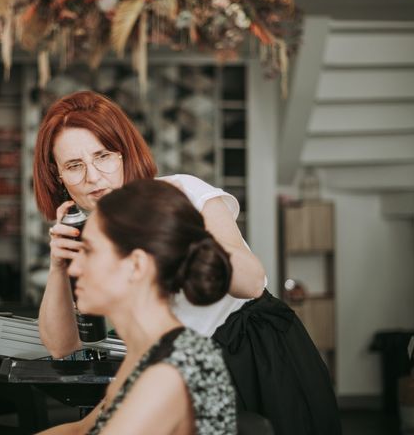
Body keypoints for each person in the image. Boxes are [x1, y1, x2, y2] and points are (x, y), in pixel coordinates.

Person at [33, 90, 341, 435]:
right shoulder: (88, 230)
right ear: (57, 175)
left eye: (103, 156)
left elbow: (251, 282)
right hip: (173, 360)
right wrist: (58, 266)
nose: (92, 176)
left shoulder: (179, 195)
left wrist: (168, 236)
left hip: (256, 352)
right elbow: (62, 347)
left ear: (123, 153)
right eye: (74, 165)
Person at [38, 179, 237, 434]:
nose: (74, 269)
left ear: (136, 266)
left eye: (89, 252)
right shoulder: (146, 353)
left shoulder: (169, 373)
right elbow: (82, 430)